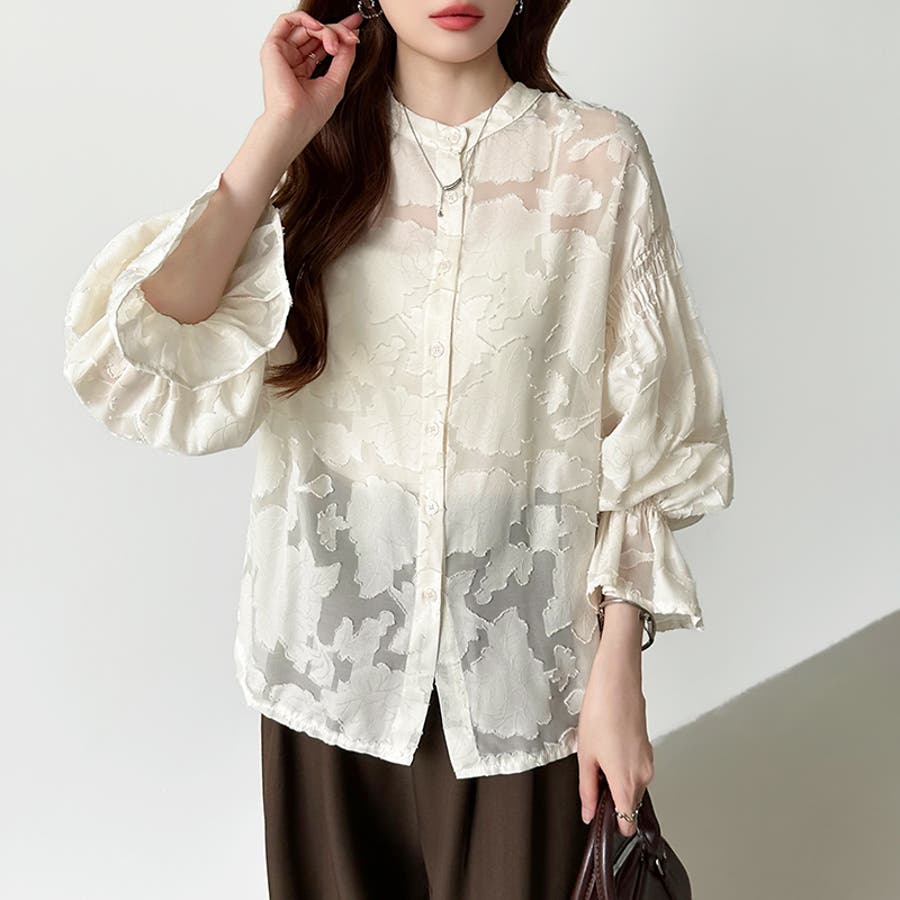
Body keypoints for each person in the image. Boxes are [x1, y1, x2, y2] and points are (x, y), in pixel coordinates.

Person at [62, 1, 735, 897]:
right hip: (327, 680)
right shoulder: (318, 160)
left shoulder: (597, 159)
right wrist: (279, 130)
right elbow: (146, 344)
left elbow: (646, 438)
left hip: (525, 688)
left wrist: (620, 671)